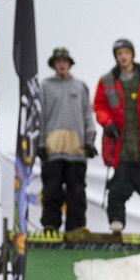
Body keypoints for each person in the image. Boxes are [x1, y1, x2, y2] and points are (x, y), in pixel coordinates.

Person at [93, 39, 140, 234]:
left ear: (132, 54)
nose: (123, 57)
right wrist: (108, 123)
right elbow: (99, 106)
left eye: (126, 52)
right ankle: (116, 222)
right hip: (120, 146)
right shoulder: (107, 80)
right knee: (117, 190)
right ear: (116, 57)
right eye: (119, 53)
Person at [39, 47, 97, 233]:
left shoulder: (80, 86)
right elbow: (38, 117)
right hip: (52, 148)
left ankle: (76, 226)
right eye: (58, 61)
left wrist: (89, 140)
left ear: (70, 64)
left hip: (76, 149)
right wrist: (39, 144)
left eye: (65, 61)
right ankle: (50, 225)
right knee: (52, 190)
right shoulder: (45, 86)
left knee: (77, 191)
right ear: (53, 64)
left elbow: (88, 115)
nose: (62, 64)